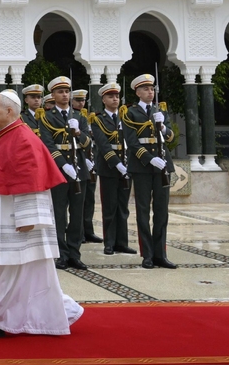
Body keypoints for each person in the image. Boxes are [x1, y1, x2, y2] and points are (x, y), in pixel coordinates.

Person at [0, 90, 84, 339]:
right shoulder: (8, 134)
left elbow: (32, 180)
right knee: (21, 272)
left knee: (6, 269)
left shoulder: (22, 138)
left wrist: (29, 218)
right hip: (3, 214)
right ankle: (60, 310)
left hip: (14, 221)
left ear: (9, 111)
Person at [122, 73, 177, 269]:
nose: (150, 92)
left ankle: (160, 254)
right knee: (143, 211)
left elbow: (171, 137)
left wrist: (163, 128)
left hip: (163, 166)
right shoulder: (130, 113)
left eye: (152, 89)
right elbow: (132, 142)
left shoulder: (160, 111)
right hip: (142, 167)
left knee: (161, 211)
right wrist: (149, 159)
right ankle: (147, 254)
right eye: (145, 89)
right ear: (137, 92)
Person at [38, 76, 92, 270]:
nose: (64, 95)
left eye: (67, 91)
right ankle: (61, 254)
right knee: (59, 214)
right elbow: (48, 145)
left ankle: (74, 254)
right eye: (60, 92)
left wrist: (79, 133)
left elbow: (88, 143)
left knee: (77, 214)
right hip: (58, 172)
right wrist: (62, 164)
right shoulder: (47, 117)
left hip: (79, 171)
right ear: (53, 95)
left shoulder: (80, 117)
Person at [88, 82, 137, 256]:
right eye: (111, 96)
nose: (115, 99)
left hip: (127, 166)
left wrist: (127, 165)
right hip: (109, 168)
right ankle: (109, 243)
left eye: (117, 96)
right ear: (103, 99)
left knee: (123, 208)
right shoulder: (98, 120)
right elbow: (103, 145)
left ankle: (122, 243)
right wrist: (117, 164)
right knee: (110, 207)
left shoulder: (126, 117)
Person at [72, 88, 103, 244]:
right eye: (78, 100)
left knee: (89, 199)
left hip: (91, 162)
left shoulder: (89, 117)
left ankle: (88, 230)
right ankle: (79, 232)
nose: (81, 103)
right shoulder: (72, 117)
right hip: (79, 161)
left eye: (83, 100)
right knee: (78, 201)